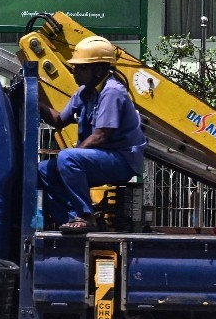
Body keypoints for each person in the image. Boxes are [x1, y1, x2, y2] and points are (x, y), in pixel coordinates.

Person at [37, 36, 147, 233]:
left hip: (121, 159)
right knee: (43, 170)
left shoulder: (112, 92)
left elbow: (101, 135)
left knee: (67, 158)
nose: (74, 72)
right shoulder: (84, 91)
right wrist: (34, 100)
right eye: (75, 67)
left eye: (81, 68)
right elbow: (59, 120)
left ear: (99, 70)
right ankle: (71, 220)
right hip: (99, 157)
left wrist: (71, 158)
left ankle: (86, 216)